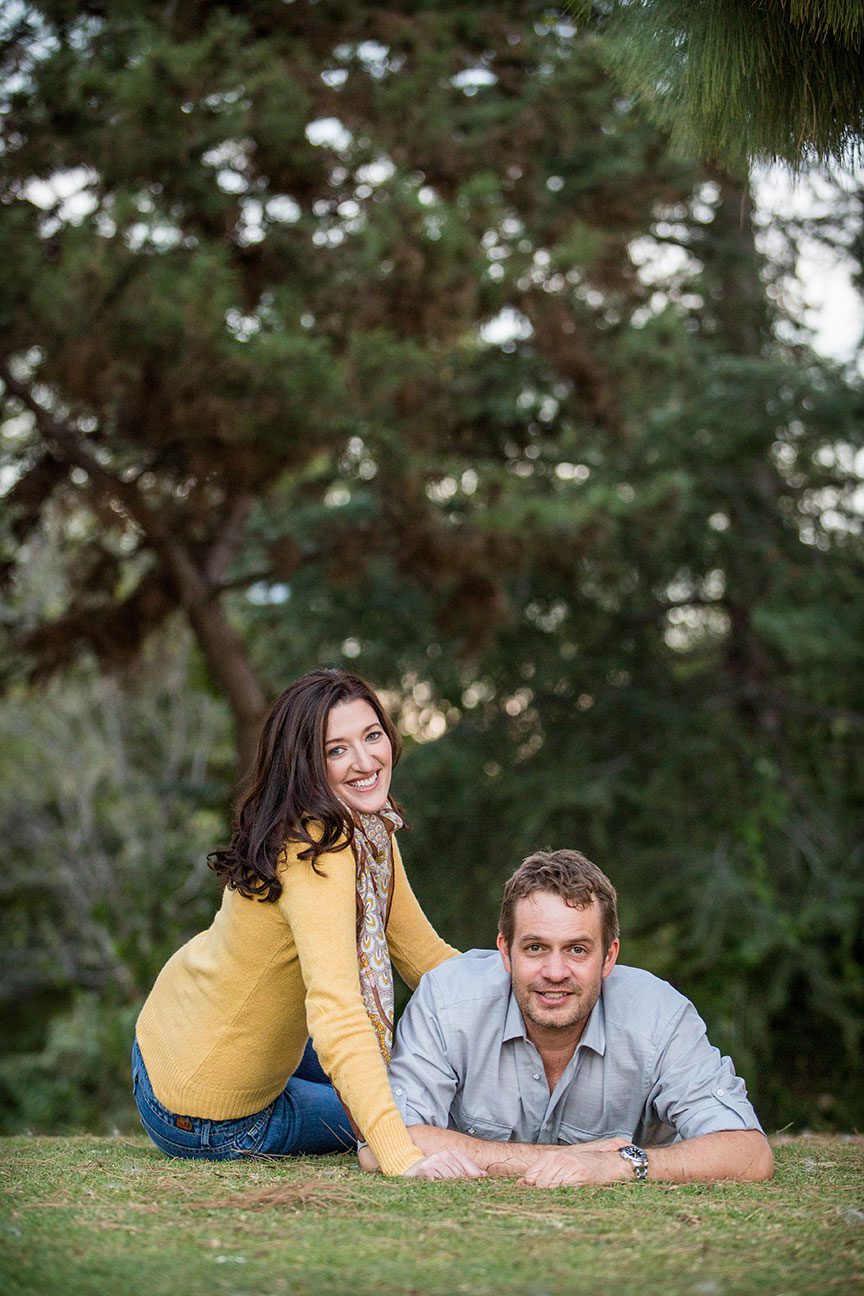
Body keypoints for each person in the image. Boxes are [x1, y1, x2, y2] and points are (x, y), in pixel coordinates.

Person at [132, 668, 474, 1178]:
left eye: (372, 736)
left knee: (412, 1078)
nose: (365, 762)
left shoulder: (368, 830)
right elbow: (337, 1013)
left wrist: (524, 985)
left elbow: (425, 958)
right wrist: (400, 1155)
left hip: (173, 1034)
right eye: (336, 750)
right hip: (201, 1110)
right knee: (408, 1113)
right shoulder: (315, 851)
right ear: (306, 765)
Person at [360, 849, 774, 1185]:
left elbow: (748, 1153)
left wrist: (618, 1165)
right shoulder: (447, 1000)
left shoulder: (660, 1016)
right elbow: (385, 1143)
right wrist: (562, 1160)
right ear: (505, 951)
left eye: (577, 949)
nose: (555, 972)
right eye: (536, 948)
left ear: (608, 956)